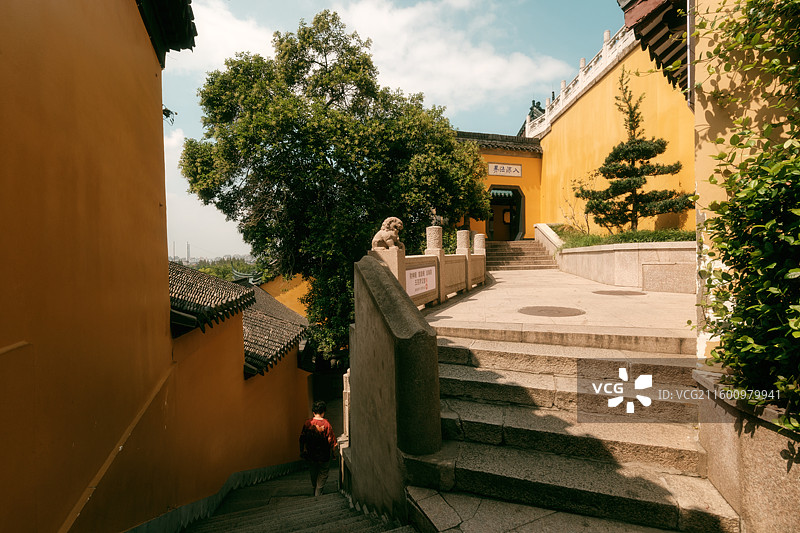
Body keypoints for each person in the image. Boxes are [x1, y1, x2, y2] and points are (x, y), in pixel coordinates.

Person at [299, 400, 338, 496]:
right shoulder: (326, 424)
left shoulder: (308, 423)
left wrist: (302, 451)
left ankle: (314, 490)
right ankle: (318, 493)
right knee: (323, 474)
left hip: (311, 454)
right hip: (324, 455)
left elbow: (302, 438)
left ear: (313, 412)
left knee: (313, 473)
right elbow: (331, 441)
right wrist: (333, 454)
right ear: (323, 412)